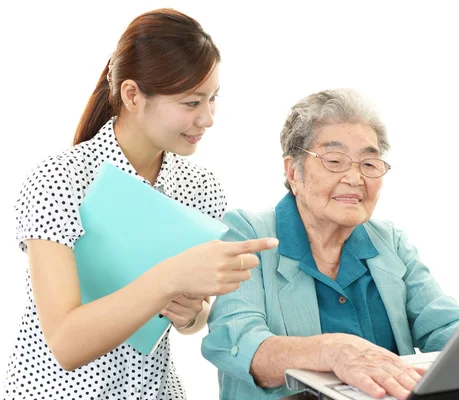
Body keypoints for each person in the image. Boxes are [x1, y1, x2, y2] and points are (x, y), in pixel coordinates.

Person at [2, 8, 277, 400]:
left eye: (213, 99)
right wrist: (172, 276)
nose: (209, 118)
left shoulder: (201, 187)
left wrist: (190, 316)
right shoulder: (59, 180)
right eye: (191, 102)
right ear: (132, 95)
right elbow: (66, 343)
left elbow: (193, 316)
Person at [202, 88, 459, 400]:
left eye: (369, 164)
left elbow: (442, 325)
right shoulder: (249, 232)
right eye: (335, 161)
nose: (355, 178)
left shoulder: (389, 241)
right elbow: (234, 339)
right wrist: (331, 350)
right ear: (293, 172)